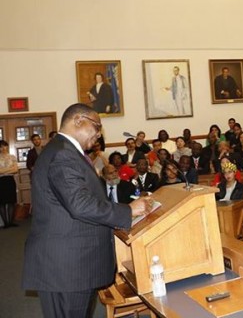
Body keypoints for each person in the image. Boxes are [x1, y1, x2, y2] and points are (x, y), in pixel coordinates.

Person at [22, 103, 152, 318]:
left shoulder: (66, 151)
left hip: (69, 262)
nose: (99, 134)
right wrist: (128, 211)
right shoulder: (63, 154)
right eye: (97, 127)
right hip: (67, 266)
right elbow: (81, 204)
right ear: (79, 120)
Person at [0, 140, 18, 228]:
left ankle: (10, 222)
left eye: (5, 146)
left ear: (7, 146)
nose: (3, 148)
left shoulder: (12, 157)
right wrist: (9, 169)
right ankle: (5, 223)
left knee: (11, 201)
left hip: (10, 180)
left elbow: (16, 170)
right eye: (1, 147)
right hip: (1, 181)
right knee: (1, 203)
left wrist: (3, 171)